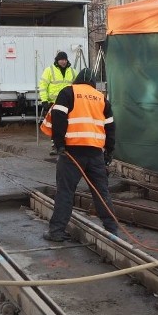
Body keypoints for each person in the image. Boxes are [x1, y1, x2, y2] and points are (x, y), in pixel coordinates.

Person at [40, 67, 118, 241]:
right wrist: (109, 151)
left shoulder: (68, 92)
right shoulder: (101, 98)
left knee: (65, 192)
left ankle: (57, 231)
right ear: (93, 82)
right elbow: (110, 127)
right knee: (101, 193)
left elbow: (58, 117)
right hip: (95, 153)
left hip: (72, 153)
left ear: (77, 79)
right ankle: (112, 231)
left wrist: (59, 144)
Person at [38, 51, 76, 154]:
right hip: (54, 103)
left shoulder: (72, 71)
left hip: (68, 103)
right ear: (57, 60)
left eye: (65, 59)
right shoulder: (49, 70)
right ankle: (55, 145)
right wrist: (44, 100)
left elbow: (77, 86)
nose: (63, 62)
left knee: (68, 124)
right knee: (55, 125)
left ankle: (66, 145)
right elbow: (43, 86)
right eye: (61, 60)